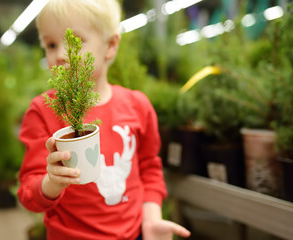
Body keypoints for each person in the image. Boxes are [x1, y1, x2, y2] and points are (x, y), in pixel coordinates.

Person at [17, 0, 191, 239]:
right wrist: (51, 183)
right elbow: (28, 191)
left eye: (73, 42)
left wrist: (151, 218)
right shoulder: (43, 111)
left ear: (110, 45)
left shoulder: (138, 106)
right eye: (51, 44)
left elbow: (149, 168)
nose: (59, 54)